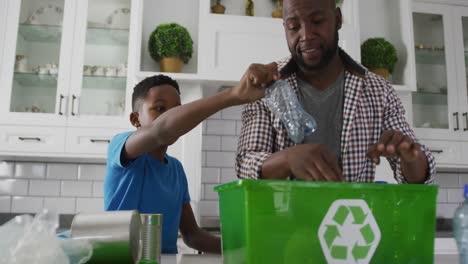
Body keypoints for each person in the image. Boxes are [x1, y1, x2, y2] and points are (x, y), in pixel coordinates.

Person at [235, 0, 435, 184]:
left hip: (351, 220)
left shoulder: (379, 91)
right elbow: (245, 164)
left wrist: (410, 157)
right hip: (281, 221)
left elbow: (417, 175)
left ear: (338, 19)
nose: (305, 36)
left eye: (317, 21)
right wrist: (287, 159)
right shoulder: (265, 87)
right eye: (293, 27)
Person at [104, 72, 274, 254]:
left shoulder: (176, 169)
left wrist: (244, 249)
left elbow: (193, 236)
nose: (173, 117)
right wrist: (232, 95)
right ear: (135, 119)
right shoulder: (121, 146)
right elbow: (161, 131)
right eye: (160, 109)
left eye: (177, 110)